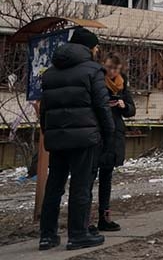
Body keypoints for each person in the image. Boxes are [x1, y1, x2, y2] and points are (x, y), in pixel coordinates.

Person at [38, 27, 115, 251]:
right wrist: (108, 136)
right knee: (81, 187)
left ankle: (47, 236)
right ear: (90, 48)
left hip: (57, 138)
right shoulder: (92, 70)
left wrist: (48, 132)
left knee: (54, 187)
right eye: (96, 47)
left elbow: (44, 109)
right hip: (85, 138)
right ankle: (78, 234)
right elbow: (102, 106)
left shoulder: (50, 73)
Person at [90, 53, 136, 232]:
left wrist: (124, 106)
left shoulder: (122, 84)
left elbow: (132, 110)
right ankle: (85, 219)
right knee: (89, 177)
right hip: (97, 133)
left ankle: (105, 216)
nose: (112, 71)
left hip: (114, 135)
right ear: (103, 65)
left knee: (106, 178)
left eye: (116, 69)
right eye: (109, 67)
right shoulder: (96, 80)